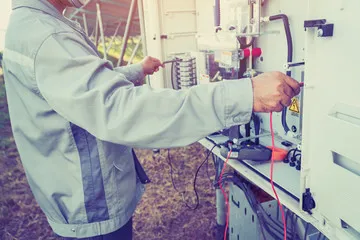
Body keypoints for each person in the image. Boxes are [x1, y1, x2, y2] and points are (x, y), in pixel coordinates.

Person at [2, 0, 301, 239]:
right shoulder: (48, 35)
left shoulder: (34, 26)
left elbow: (81, 89)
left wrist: (135, 71)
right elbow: (121, 110)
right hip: (89, 207)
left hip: (72, 190)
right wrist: (243, 95)